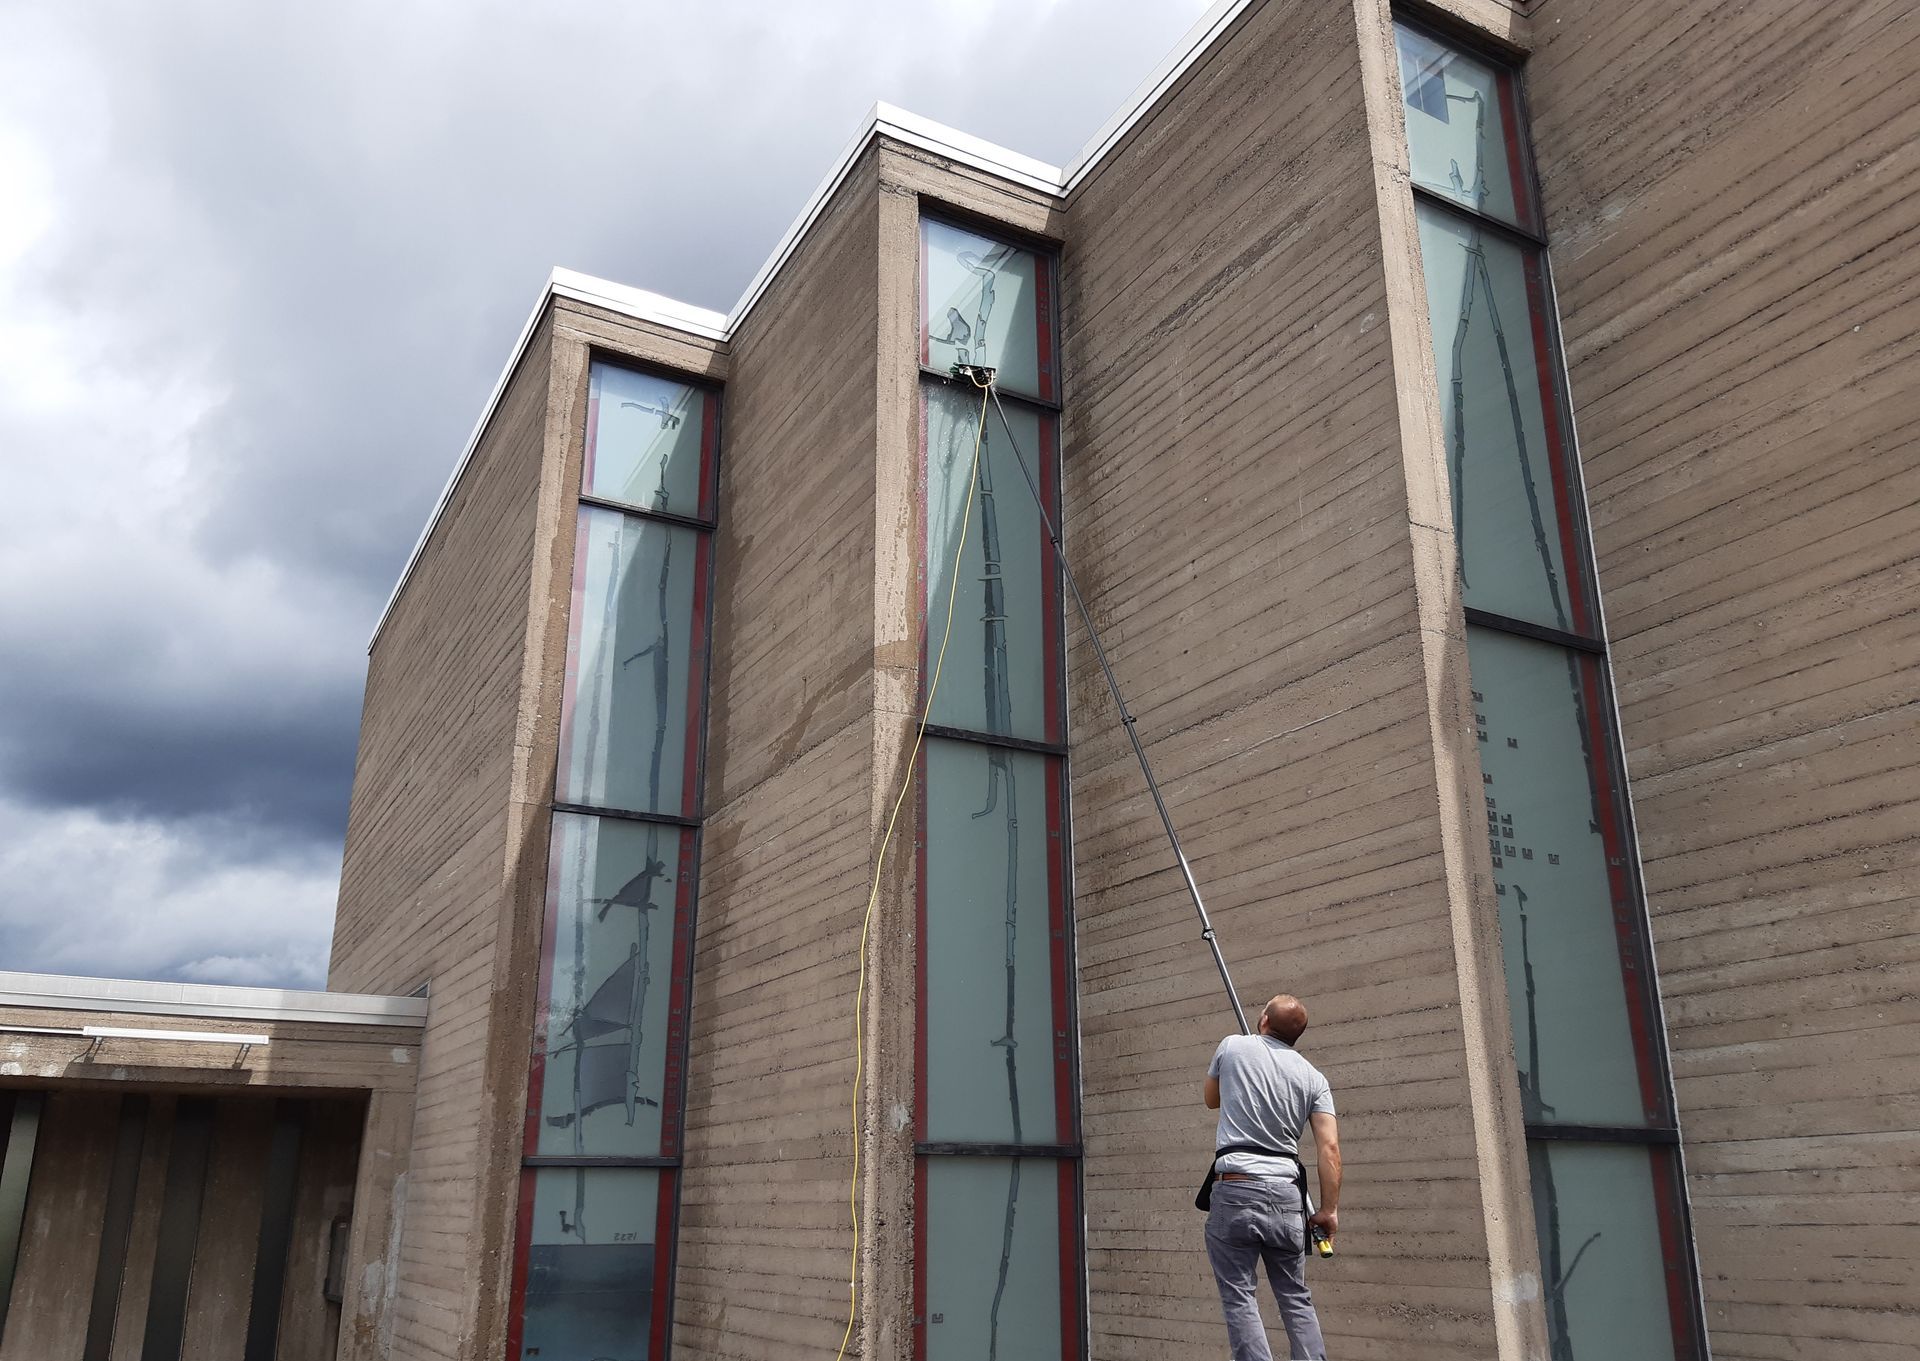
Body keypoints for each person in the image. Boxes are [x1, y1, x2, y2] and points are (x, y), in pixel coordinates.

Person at [1203, 993, 1341, 1361]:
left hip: (1236, 1188)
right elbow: (1329, 1148)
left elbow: (1211, 1099)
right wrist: (1328, 1211)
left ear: (1263, 1020)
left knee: (1239, 1293)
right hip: (1286, 1197)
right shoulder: (1314, 1077)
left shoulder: (1233, 1046)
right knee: (1295, 1294)